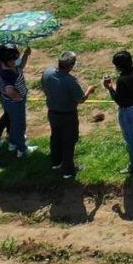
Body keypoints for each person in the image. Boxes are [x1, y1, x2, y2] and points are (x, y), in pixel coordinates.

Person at [41, 50, 88, 179]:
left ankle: (55, 163)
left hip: (52, 113)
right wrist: (89, 90)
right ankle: (68, 171)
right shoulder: (71, 82)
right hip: (68, 116)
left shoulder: (47, 73)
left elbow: (44, 87)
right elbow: (81, 99)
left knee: (55, 137)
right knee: (69, 141)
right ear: (70, 66)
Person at [104, 50, 133, 176]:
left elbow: (119, 100)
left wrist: (109, 88)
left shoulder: (122, 80)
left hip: (127, 110)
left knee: (131, 137)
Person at [0, 44, 30, 161]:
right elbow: (9, 90)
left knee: (13, 123)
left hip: (10, 102)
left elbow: (21, 65)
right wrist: (18, 98)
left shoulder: (9, 64)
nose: (17, 61)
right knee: (20, 125)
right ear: (7, 61)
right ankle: (22, 149)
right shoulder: (8, 74)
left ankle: (12, 143)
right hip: (15, 103)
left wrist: (25, 55)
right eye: (14, 59)